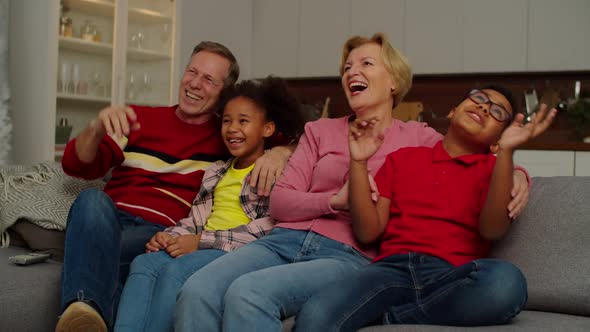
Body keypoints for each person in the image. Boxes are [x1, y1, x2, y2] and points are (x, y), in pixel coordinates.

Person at [173, 33, 538, 332]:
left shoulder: (417, 137)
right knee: (198, 289)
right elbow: (282, 203)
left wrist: (516, 171)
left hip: (348, 255)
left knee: (247, 293)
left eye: (366, 64)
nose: (352, 72)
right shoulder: (322, 132)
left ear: (393, 81)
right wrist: (306, 173)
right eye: (347, 66)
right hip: (289, 240)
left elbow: (464, 154)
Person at [55, 42, 294, 332]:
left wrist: (281, 152)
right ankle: (83, 311)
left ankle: (87, 311)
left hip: (159, 230)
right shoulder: (138, 119)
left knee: (123, 261)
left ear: (224, 94)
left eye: (208, 79)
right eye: (192, 71)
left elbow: (298, 137)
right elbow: (74, 165)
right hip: (111, 220)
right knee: (91, 200)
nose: (195, 83)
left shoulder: (228, 134)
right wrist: (94, 128)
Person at [296, 86, 557, 332]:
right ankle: (397, 312)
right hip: (390, 270)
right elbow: (367, 233)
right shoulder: (403, 158)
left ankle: (393, 318)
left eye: (498, 113)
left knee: (506, 283)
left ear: (498, 142)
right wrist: (359, 161)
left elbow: (493, 230)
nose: (486, 108)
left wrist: (508, 155)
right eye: (479, 98)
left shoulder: (495, 171)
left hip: (451, 276)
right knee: (315, 314)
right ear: (452, 111)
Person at [113, 76, 305, 332]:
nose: (232, 128)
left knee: (176, 271)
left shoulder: (273, 170)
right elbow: (195, 219)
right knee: (144, 263)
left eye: (243, 121)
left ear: (268, 129)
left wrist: (201, 242)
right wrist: (169, 237)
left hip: (236, 252)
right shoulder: (216, 171)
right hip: (202, 243)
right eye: (226, 121)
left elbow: (268, 231)